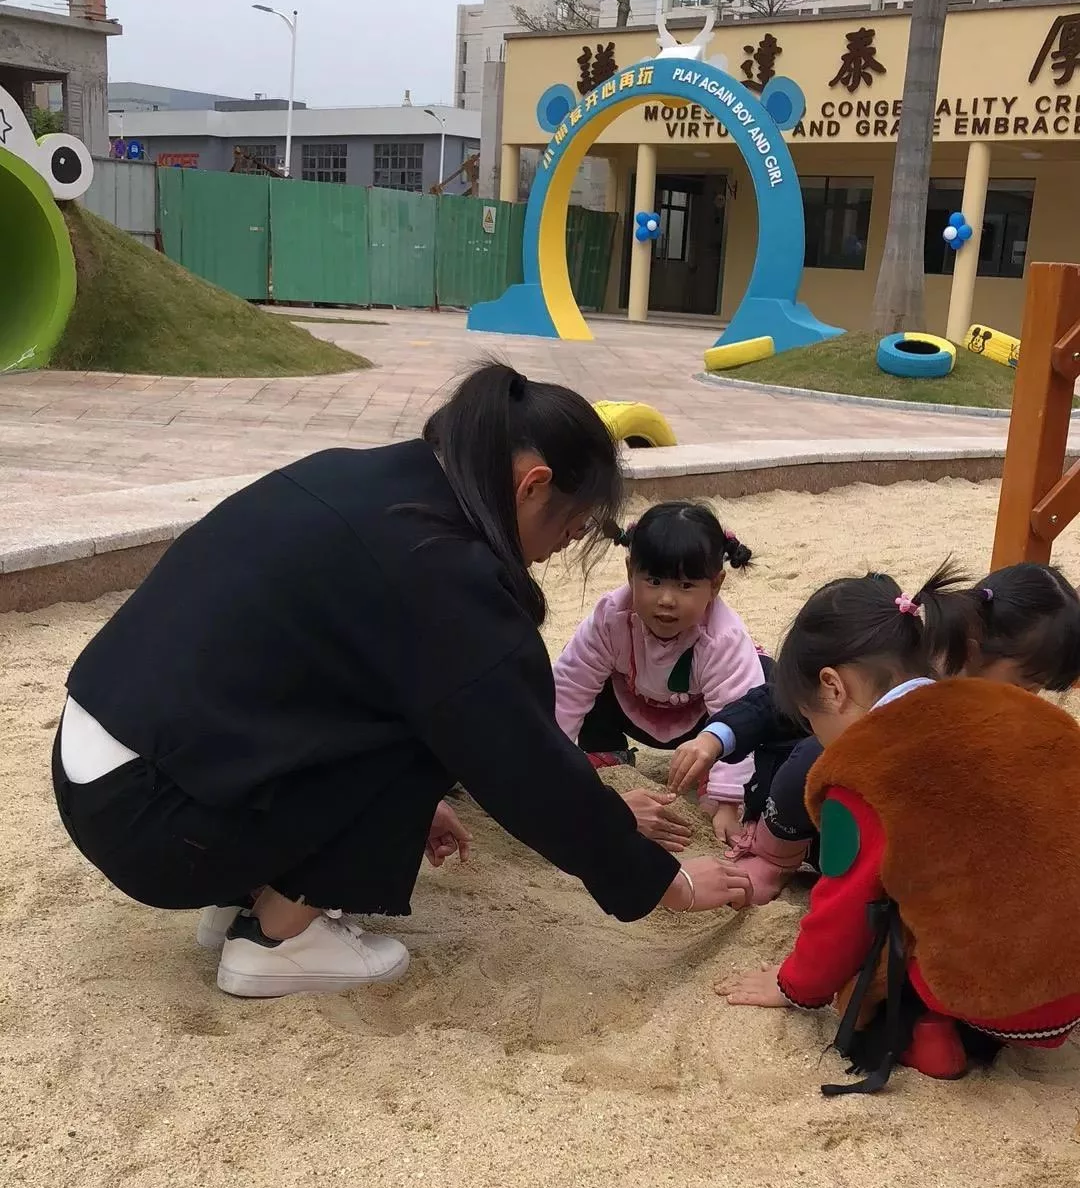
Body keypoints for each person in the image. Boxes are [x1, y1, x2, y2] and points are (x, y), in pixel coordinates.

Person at [53, 363, 741, 999]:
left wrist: (405, 808)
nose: (563, 546)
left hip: (108, 768)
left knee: (405, 699)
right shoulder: (444, 572)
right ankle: (276, 940)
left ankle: (246, 895)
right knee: (435, 720)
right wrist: (664, 881)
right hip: (162, 829)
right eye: (572, 526)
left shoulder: (363, 477)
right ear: (532, 486)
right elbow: (525, 767)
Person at [718, 567, 1080, 1091]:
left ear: (832, 688)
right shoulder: (1014, 707)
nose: (820, 739)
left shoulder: (863, 773)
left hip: (999, 996)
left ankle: (922, 1030)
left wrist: (794, 986)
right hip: (1070, 984)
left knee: (881, 939)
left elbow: (843, 911)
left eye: (811, 721)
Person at [672, 560, 1080, 908]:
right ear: (973, 652)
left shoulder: (988, 705)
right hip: (801, 794)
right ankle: (771, 856)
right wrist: (717, 737)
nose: (1031, 701)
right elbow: (786, 700)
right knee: (819, 754)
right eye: (1026, 687)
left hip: (888, 821)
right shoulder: (902, 661)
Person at [552, 502, 765, 847]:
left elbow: (737, 713)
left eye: (685, 586)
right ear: (630, 572)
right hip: (631, 706)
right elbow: (570, 687)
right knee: (586, 672)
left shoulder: (722, 638)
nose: (666, 599)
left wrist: (728, 801)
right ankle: (608, 751)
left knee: (762, 692)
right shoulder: (611, 618)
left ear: (715, 585)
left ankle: (711, 775)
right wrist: (552, 764)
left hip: (702, 726)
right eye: (653, 581)